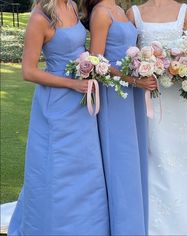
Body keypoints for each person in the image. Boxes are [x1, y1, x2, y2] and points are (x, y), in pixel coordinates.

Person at [8, 0, 109, 235]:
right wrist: (72, 83)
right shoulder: (40, 17)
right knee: (57, 167)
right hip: (57, 103)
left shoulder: (73, 5)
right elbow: (28, 71)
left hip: (81, 102)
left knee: (85, 166)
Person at [127, 0, 187, 234]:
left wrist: (184, 67)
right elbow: (128, 58)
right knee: (153, 157)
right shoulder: (134, 13)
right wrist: (141, 69)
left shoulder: (185, 12)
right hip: (150, 100)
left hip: (179, 99)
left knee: (185, 157)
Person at [80, 0, 157, 234]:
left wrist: (143, 67)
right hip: (115, 95)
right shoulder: (102, 13)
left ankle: (136, 224)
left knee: (134, 159)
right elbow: (97, 61)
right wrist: (135, 79)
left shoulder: (121, 10)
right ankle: (125, 227)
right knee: (121, 162)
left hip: (132, 95)